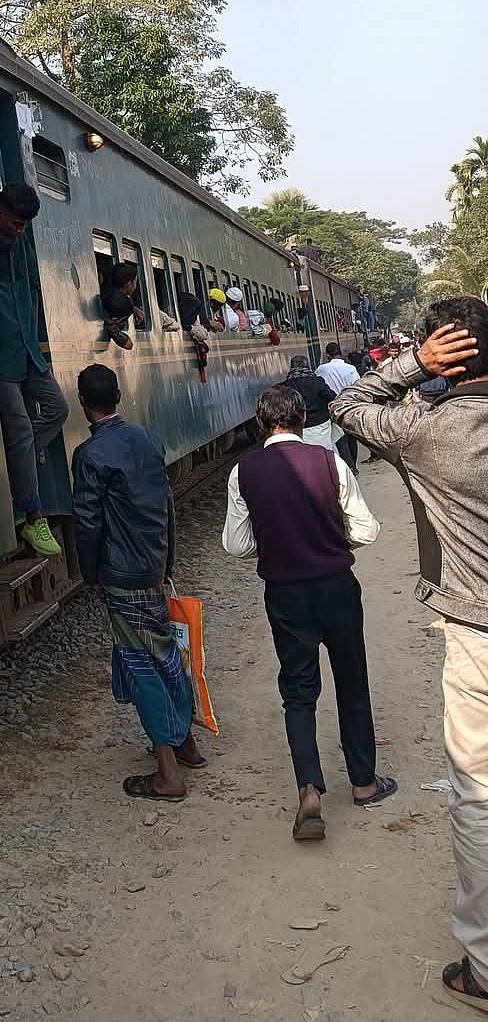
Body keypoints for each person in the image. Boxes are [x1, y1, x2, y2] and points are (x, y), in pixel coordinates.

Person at [329, 303, 488, 1010]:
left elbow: (345, 402)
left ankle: (483, 968)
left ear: (444, 358)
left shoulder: (423, 430)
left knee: (479, 796)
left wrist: (413, 367)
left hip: (479, 637)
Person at [222, 383, 392, 841]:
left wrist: (278, 542)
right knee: (351, 679)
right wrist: (332, 541)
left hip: (284, 594)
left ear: (261, 424)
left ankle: (310, 792)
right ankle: (363, 783)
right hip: (336, 586)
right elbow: (366, 530)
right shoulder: (329, 461)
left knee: (298, 691)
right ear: (302, 420)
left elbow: (236, 544)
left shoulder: (243, 472)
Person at [72, 363, 205, 800]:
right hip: (152, 564)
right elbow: (165, 502)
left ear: (82, 402)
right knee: (165, 650)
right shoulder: (147, 439)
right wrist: (168, 557)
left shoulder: (90, 456)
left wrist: (90, 572)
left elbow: (88, 522)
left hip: (121, 573)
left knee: (140, 661)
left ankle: (167, 771)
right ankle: (185, 741)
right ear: (118, 397)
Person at [0, 183, 68, 557]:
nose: (19, 231)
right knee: (18, 428)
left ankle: (20, 457)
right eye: (15, 224)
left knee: (58, 409)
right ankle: (33, 516)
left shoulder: (22, 243)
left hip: (28, 351)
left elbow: (32, 286)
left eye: (24, 226)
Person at [316, 343, 361, 474]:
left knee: (340, 438)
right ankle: (353, 463)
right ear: (340, 353)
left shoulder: (321, 369)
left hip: (332, 407)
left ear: (327, 355)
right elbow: (357, 387)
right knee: (351, 437)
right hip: (349, 405)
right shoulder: (350, 368)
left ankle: (349, 466)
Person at [285, 356, 337, 450]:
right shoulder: (318, 381)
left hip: (298, 426)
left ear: (292, 368)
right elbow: (332, 397)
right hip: (321, 424)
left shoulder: (286, 386)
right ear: (307, 366)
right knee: (324, 450)